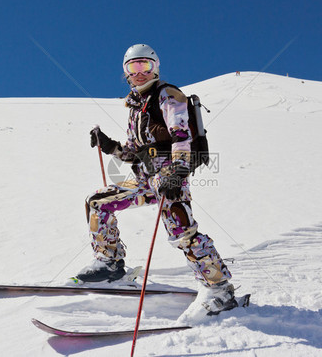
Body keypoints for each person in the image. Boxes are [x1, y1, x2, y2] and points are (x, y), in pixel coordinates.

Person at [76, 44, 236, 316]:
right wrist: (108, 145)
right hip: (144, 179)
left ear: (156, 68)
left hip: (170, 175)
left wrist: (176, 173)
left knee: (180, 230)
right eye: (133, 67)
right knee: (98, 202)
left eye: (145, 66)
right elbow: (132, 152)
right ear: (125, 73)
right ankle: (109, 262)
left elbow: (181, 135)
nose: (139, 73)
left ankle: (219, 288)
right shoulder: (136, 107)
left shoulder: (167, 95)